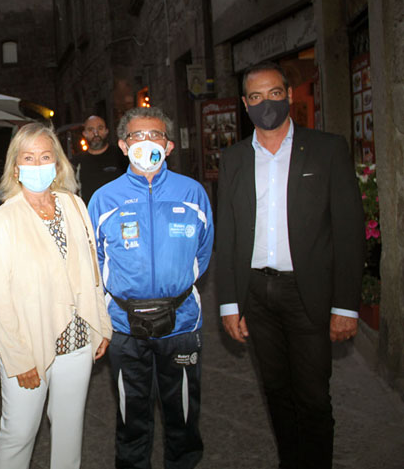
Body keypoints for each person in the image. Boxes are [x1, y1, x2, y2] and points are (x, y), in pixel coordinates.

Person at [216, 61, 364, 469]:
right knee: (277, 392)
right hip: (256, 295)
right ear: (245, 103)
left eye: (274, 94)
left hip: (307, 293)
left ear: (290, 95)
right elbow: (228, 234)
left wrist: (346, 305)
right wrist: (229, 303)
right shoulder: (233, 159)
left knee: (313, 396)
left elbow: (349, 231)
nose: (266, 103)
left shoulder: (327, 149)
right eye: (256, 97)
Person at [88, 106, 214, 468]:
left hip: (182, 322)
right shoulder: (104, 199)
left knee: (183, 412)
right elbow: (94, 260)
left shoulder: (192, 193)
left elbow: (203, 252)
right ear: (123, 146)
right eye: (137, 136)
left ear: (169, 145)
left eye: (155, 135)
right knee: (131, 414)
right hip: (124, 326)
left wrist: (174, 282)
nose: (147, 142)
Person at [0, 122, 112, 469]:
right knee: (19, 433)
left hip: (78, 339)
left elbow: (92, 271)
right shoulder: (5, 219)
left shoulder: (74, 205)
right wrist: (17, 358)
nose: (38, 164)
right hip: (29, 342)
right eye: (28, 157)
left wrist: (101, 324)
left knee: (69, 431)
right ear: (15, 167)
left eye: (45, 156)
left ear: (58, 163)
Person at [72, 115, 129, 204]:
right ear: (84, 133)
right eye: (90, 129)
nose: (96, 133)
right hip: (89, 211)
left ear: (106, 131)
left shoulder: (121, 156)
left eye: (100, 128)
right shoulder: (76, 163)